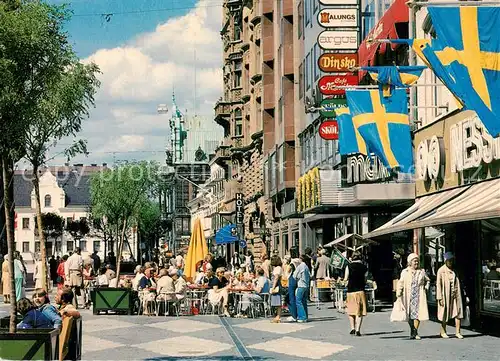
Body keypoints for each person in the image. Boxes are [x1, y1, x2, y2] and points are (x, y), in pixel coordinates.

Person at [397, 253, 430, 340]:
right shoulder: (405, 272)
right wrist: (399, 293)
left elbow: (428, 280)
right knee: (409, 314)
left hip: (419, 295)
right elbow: (401, 283)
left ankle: (415, 332)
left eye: (417, 261)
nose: (416, 263)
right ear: (410, 262)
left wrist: (426, 288)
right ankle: (413, 329)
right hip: (408, 295)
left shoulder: (422, 271)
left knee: (417, 314)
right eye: (415, 261)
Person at [436, 252, 464, 339]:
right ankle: (443, 331)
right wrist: (439, 297)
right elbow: (438, 284)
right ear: (445, 261)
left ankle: (458, 332)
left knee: (458, 312)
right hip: (445, 295)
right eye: (449, 261)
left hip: (456, 294)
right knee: (445, 312)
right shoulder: (441, 271)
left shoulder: (455, 270)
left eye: (452, 260)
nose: (451, 262)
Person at [344, 252, 367, 336]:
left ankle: (352, 328)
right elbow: (365, 279)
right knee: (359, 311)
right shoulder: (364, 267)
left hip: (351, 291)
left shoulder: (348, 266)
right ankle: (358, 330)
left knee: (351, 310)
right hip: (360, 290)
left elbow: (346, 278)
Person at [293, 255, 311, 323]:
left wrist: (298, 277)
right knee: (304, 301)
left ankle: (302, 317)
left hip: (301, 285)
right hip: (306, 285)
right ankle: (305, 316)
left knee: (298, 301)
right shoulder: (306, 266)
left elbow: (294, 275)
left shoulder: (300, 266)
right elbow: (309, 275)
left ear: (301, 259)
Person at [270, 256, 283, 323]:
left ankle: (278, 317)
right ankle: (277, 316)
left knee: (278, 302)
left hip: (276, 285)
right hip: (277, 285)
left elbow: (276, 277)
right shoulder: (278, 268)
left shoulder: (277, 268)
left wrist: (273, 287)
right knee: (277, 302)